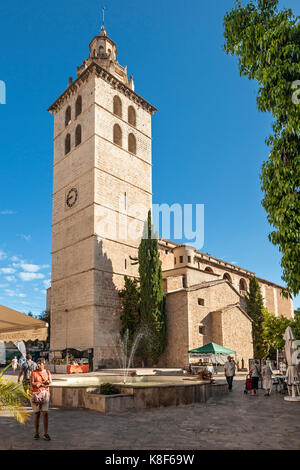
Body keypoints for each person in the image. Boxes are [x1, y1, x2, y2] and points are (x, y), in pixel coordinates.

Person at [30, 358, 52, 441]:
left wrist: (40, 384)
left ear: (44, 364)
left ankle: (46, 434)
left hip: (45, 395)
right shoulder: (33, 372)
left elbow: (50, 383)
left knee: (45, 413)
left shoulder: (47, 372)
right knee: (37, 414)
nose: (38, 365)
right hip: (35, 395)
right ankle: (36, 433)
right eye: (37, 363)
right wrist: (43, 383)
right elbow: (32, 384)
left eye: (40, 363)